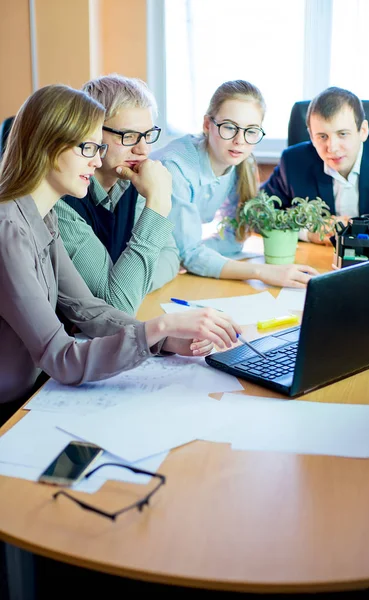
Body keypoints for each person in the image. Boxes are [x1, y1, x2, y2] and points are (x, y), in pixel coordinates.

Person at [0, 84, 241, 425]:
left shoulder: (42, 215)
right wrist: (161, 325)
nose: (97, 160)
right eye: (88, 147)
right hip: (10, 414)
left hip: (36, 394)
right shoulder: (8, 231)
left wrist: (168, 339)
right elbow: (61, 356)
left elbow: (87, 309)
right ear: (49, 148)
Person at [152, 80, 318, 288]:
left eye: (251, 131)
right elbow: (191, 255)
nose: (240, 140)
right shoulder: (175, 168)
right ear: (207, 125)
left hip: (169, 260)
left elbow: (231, 238)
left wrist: (194, 254)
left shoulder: (240, 162)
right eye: (229, 127)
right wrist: (262, 272)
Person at [54, 74, 180, 315]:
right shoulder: (62, 198)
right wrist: (158, 204)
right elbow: (117, 306)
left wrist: (129, 284)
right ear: (90, 132)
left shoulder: (135, 180)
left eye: (147, 135)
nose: (143, 150)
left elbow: (172, 257)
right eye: (128, 136)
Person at [261, 86, 369, 244]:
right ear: (311, 137)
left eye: (342, 134)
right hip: (318, 261)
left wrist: (358, 230)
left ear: (363, 130)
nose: (332, 147)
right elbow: (257, 213)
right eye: (322, 136)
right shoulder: (293, 161)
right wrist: (307, 232)